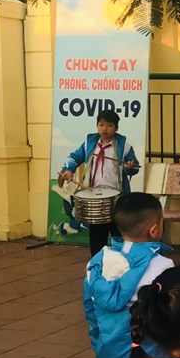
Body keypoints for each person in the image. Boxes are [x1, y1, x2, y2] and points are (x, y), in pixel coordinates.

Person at [83, 192, 174, 358]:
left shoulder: (96, 263)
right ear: (154, 230)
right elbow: (169, 318)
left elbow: (90, 312)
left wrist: (99, 346)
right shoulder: (162, 266)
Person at [59, 109, 140, 256]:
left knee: (118, 234)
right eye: (101, 125)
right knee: (97, 236)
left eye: (109, 125)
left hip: (117, 198)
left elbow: (134, 167)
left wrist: (129, 167)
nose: (104, 129)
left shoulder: (124, 147)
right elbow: (74, 157)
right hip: (94, 197)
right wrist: (69, 170)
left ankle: (120, 262)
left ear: (116, 128)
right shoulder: (89, 144)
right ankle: (97, 261)